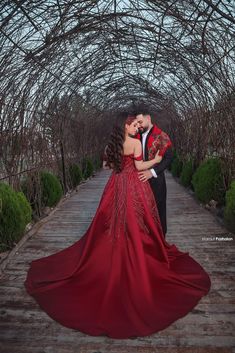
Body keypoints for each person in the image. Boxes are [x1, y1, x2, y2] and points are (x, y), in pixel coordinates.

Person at [24, 113, 211, 340]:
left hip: (115, 185)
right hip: (133, 185)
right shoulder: (133, 143)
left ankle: (115, 249)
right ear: (126, 125)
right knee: (138, 221)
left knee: (112, 222)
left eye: (138, 125)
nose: (136, 128)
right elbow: (140, 164)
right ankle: (134, 252)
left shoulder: (113, 144)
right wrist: (156, 161)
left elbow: (108, 165)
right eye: (133, 125)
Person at [135, 106, 173, 237]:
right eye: (137, 122)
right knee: (141, 213)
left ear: (148, 118)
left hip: (156, 181)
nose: (138, 125)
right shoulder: (136, 135)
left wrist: (152, 172)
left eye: (140, 122)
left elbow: (168, 158)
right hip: (138, 181)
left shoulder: (161, 136)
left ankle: (161, 242)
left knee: (158, 211)